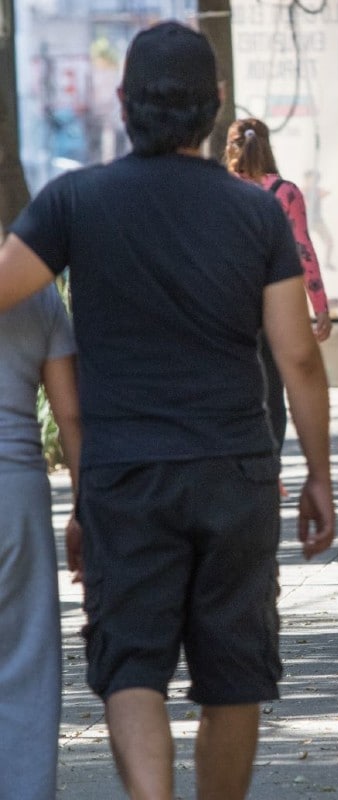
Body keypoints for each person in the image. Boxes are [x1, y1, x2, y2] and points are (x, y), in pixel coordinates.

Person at [0, 21, 335, 799]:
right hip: (235, 472)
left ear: (123, 104)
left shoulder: (75, 201)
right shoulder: (256, 215)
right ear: (215, 106)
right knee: (233, 676)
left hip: (127, 477)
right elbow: (298, 356)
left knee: (131, 667)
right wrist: (317, 473)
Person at [0, 283, 82, 799]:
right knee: (25, 660)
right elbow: (70, 413)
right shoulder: (35, 293)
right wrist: (86, 507)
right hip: (15, 489)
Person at [225, 117, 332, 464]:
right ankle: (268, 465)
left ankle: (236, 462)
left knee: (230, 387)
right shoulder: (285, 193)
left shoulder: (217, 190)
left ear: (229, 148)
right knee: (272, 392)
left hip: (223, 306)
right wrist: (320, 307)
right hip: (274, 308)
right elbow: (303, 249)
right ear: (268, 146)